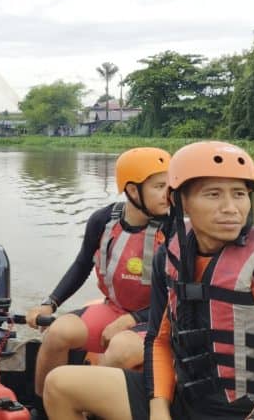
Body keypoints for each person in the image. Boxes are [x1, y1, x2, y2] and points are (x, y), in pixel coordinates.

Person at [43, 141, 254, 420]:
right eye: (213, 194)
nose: (231, 208)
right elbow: (159, 340)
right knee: (59, 385)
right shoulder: (169, 256)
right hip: (187, 399)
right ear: (179, 201)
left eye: (239, 194)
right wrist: (158, 407)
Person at [25, 147, 172, 416]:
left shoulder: (177, 230)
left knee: (121, 349)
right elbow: (82, 264)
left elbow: (179, 297)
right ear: (132, 190)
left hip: (159, 320)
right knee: (57, 333)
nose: (168, 194)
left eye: (170, 186)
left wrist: (132, 320)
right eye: (160, 186)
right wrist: (50, 304)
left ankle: (93, 409)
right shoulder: (103, 221)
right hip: (113, 308)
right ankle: (43, 410)